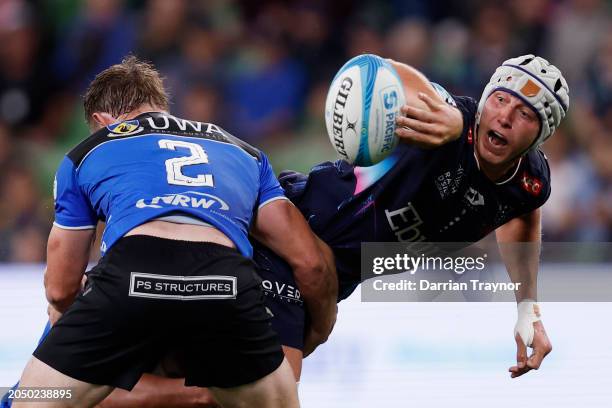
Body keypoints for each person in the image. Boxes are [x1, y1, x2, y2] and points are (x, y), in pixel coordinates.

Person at [4, 53, 568, 407]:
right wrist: (455, 111)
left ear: (539, 136)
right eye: (499, 99)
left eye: (524, 114)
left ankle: (34, 392)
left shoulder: (530, 182)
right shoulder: (441, 121)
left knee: (169, 368)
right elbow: (383, 72)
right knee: (234, 395)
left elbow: (519, 211)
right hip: (292, 238)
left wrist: (528, 306)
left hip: (303, 262)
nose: (504, 116)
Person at [10, 56, 337, 408]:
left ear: (100, 121)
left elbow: (60, 290)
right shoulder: (245, 152)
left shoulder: (89, 150)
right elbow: (311, 263)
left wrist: (78, 340)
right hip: (226, 283)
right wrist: (318, 331)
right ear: (161, 109)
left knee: (30, 400)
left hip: (132, 273)